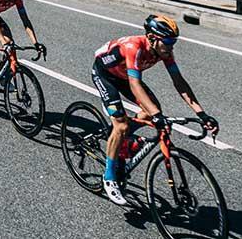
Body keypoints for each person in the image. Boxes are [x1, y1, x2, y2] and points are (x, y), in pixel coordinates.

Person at [92, 15, 219, 206]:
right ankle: (109, 177)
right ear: (151, 37)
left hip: (125, 77)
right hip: (105, 75)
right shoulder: (133, 47)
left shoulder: (164, 52)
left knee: (151, 112)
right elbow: (135, 85)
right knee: (122, 124)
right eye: (167, 41)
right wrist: (157, 116)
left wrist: (201, 114)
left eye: (173, 42)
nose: (171, 46)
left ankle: (122, 141)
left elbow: (179, 82)